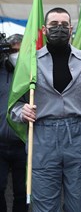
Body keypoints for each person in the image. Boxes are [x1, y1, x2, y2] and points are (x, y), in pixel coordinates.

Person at [9, 7, 81, 212]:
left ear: (71, 29)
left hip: (79, 138)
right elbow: (13, 105)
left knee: (80, 204)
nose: (59, 29)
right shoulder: (30, 62)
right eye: (53, 25)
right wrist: (21, 111)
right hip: (42, 138)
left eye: (63, 25)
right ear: (44, 29)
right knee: (45, 206)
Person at [0, 34, 27, 212]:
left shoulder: (29, 75)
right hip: (0, 145)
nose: (15, 54)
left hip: (23, 144)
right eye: (13, 50)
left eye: (20, 50)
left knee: (21, 192)